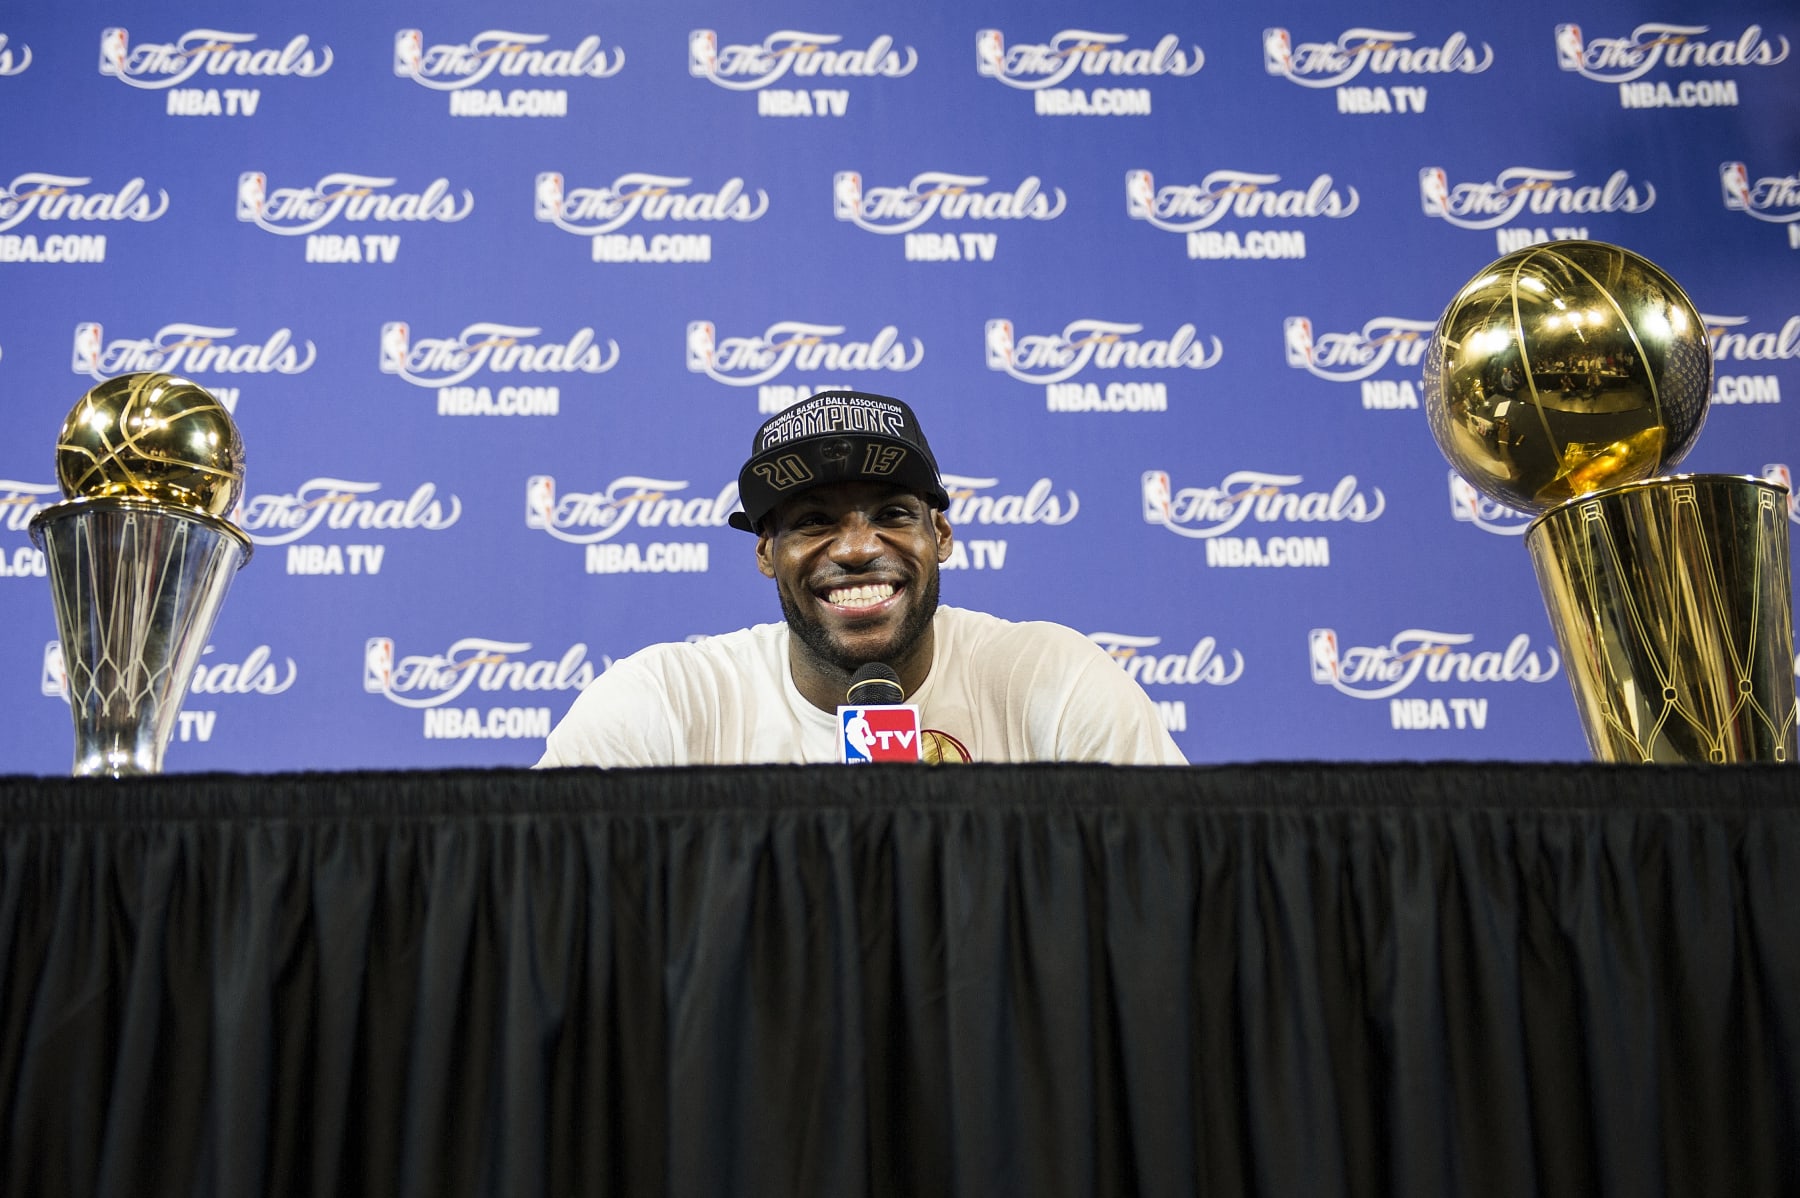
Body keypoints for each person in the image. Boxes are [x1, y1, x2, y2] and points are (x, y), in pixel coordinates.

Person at [536, 390, 1186, 767]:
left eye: (892, 515)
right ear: (766, 554)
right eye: (814, 521)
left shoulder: (1054, 679)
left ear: (943, 536)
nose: (854, 548)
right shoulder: (668, 703)